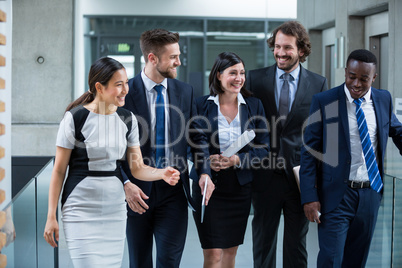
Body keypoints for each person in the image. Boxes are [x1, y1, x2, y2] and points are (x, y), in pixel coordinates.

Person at [43, 57, 180, 267]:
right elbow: (59, 171)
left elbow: (137, 168)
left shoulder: (128, 119)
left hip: (114, 210)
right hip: (79, 208)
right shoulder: (74, 118)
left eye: (126, 83)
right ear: (99, 87)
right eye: (119, 85)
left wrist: (161, 173)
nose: (125, 89)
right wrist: (51, 216)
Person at [300, 49, 402, 267]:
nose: (356, 83)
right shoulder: (325, 101)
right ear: (346, 72)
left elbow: (396, 130)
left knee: (357, 260)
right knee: (331, 259)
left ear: (373, 78)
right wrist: (309, 196)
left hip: (370, 194)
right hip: (337, 195)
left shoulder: (383, 99)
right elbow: (309, 150)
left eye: (363, 79)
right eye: (351, 76)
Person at [246, 21, 328, 268]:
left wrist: (317, 181)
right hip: (263, 176)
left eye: (287, 48)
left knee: (296, 245)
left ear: (301, 50)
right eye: (277, 46)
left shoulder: (318, 84)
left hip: (298, 178)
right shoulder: (255, 79)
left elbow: (320, 135)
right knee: (263, 243)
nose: (280, 52)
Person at [121, 28, 200, 268]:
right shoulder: (124, 93)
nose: (179, 61)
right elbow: (112, 149)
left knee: (169, 262)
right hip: (136, 193)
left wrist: (204, 170)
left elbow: (197, 139)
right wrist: (125, 184)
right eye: (173, 57)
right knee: (139, 262)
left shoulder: (184, 92)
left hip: (173, 191)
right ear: (152, 58)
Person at [191, 52, 270, 268]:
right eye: (232, 73)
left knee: (229, 253)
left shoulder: (254, 106)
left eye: (242, 73)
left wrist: (236, 159)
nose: (239, 78)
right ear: (218, 75)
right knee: (213, 254)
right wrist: (208, 163)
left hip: (239, 188)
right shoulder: (200, 105)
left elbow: (264, 150)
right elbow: (193, 144)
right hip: (207, 186)